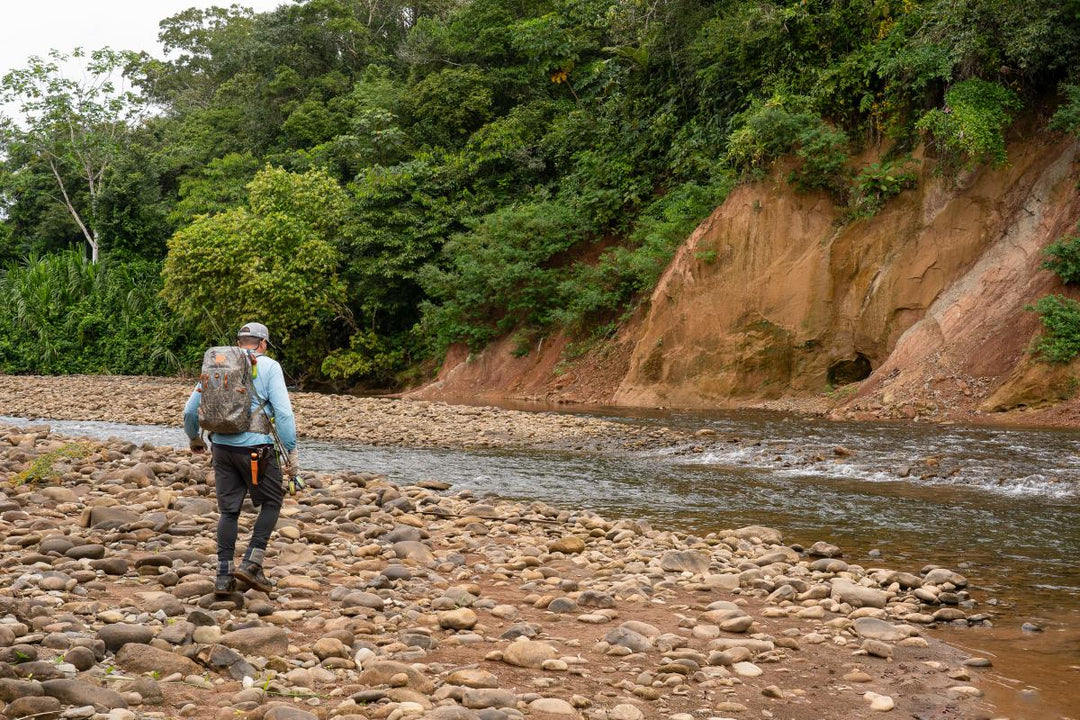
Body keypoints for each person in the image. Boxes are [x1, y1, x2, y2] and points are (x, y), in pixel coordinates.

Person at [183, 322, 298, 596]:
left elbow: (190, 411)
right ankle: (251, 563)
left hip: (221, 448)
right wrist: (291, 451)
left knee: (229, 511)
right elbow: (283, 414)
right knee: (271, 502)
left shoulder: (217, 365)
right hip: (258, 450)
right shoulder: (270, 366)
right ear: (263, 344)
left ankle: (223, 577)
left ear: (239, 342)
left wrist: (195, 439)